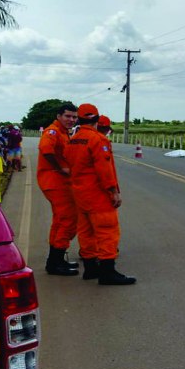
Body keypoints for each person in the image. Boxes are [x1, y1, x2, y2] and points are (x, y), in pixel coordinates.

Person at [65, 104, 135, 285]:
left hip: (80, 193)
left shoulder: (73, 139)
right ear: (97, 119)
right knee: (107, 231)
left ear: (79, 119)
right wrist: (113, 191)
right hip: (97, 194)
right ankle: (107, 272)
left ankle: (90, 269)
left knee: (86, 231)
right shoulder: (98, 140)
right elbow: (104, 170)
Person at [37, 103, 79, 276]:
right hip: (54, 181)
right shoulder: (53, 131)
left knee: (60, 220)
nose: (71, 120)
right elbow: (46, 149)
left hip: (59, 181)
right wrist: (60, 168)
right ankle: (56, 262)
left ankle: (55, 260)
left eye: (74, 117)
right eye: (68, 116)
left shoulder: (63, 132)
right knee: (68, 219)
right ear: (59, 116)